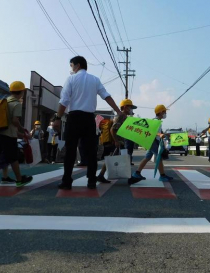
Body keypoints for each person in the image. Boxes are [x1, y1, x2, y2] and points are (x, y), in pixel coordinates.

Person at [53, 56, 125, 190]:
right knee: (91, 150)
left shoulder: (71, 79)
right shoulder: (94, 79)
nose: (71, 69)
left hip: (73, 118)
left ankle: (67, 181)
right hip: (88, 119)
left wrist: (58, 118)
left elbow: (64, 101)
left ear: (78, 65)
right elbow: (106, 96)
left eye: (71, 66)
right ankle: (91, 180)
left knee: (70, 151)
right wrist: (117, 111)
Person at [132, 105, 174, 182]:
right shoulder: (156, 121)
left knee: (147, 157)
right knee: (159, 158)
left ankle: (137, 173)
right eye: (165, 112)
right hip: (153, 141)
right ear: (161, 112)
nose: (165, 113)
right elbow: (152, 132)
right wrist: (160, 135)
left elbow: (157, 132)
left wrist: (164, 134)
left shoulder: (157, 121)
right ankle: (162, 176)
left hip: (152, 141)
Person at [111, 99, 141, 184]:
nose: (131, 110)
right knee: (126, 159)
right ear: (124, 107)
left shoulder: (125, 117)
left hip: (121, 142)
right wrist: (116, 141)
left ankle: (101, 175)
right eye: (130, 107)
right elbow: (112, 129)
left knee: (115, 158)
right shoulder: (121, 116)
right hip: (118, 142)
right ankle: (130, 178)